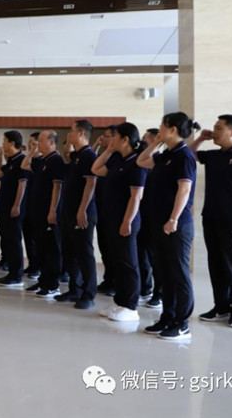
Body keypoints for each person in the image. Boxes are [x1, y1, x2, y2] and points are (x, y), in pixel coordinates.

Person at [190, 115, 232, 329]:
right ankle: (221, 308)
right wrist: (200, 138)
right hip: (211, 217)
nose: (214, 131)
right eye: (214, 127)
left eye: (219, 128)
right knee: (216, 265)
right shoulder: (213, 155)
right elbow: (188, 155)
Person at [137, 113, 199, 341]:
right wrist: (155, 143)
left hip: (176, 225)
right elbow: (141, 161)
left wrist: (173, 219)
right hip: (159, 223)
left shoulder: (184, 155)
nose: (159, 129)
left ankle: (182, 324)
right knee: (164, 273)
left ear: (172, 129)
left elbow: (185, 189)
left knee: (178, 274)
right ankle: (168, 317)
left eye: (162, 127)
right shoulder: (166, 155)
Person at [92, 123, 147, 322]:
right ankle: (119, 301)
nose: (111, 139)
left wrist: (127, 221)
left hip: (127, 220)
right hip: (111, 218)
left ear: (125, 139)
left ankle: (131, 306)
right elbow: (95, 169)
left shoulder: (137, 162)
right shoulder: (116, 158)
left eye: (114, 137)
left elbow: (136, 196)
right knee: (116, 261)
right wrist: (108, 150)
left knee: (128, 263)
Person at [57, 120, 98, 309]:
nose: (69, 134)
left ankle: (88, 294)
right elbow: (67, 153)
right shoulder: (77, 156)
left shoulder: (89, 155)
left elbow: (91, 184)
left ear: (81, 133)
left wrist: (82, 210)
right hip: (69, 211)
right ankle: (75, 289)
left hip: (83, 212)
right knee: (70, 252)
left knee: (84, 253)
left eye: (72, 131)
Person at [21, 130, 64, 297]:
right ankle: (43, 281)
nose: (37, 144)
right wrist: (32, 151)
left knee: (51, 250)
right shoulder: (42, 161)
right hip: (37, 213)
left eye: (40, 141)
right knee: (41, 248)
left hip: (49, 213)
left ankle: (53, 285)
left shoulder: (56, 160)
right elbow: (24, 165)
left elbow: (57, 187)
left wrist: (53, 210)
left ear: (52, 142)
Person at [0, 131, 29, 288]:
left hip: (14, 208)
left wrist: (17, 205)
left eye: (5, 141)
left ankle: (17, 275)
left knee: (14, 241)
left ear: (12, 143)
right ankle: (11, 272)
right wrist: (0, 156)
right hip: (4, 207)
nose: (3, 143)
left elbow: (23, 184)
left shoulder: (22, 160)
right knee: (7, 239)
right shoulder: (10, 161)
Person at [138, 128, 163, 309]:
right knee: (142, 253)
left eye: (145, 139)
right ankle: (145, 288)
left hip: (156, 215)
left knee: (156, 257)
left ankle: (159, 293)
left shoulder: (159, 161)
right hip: (142, 213)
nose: (141, 141)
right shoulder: (144, 160)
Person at [94, 125, 118, 296]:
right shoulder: (107, 158)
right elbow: (94, 167)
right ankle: (108, 279)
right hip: (102, 210)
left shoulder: (120, 158)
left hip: (116, 213)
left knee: (114, 250)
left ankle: (116, 283)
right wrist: (100, 146)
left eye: (107, 136)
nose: (103, 138)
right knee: (105, 248)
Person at [23, 132, 42, 280]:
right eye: (30, 144)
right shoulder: (32, 161)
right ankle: (32, 264)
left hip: (39, 207)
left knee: (37, 239)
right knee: (28, 238)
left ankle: (38, 268)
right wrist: (30, 152)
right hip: (28, 204)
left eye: (33, 143)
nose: (31, 146)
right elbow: (24, 165)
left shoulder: (43, 161)